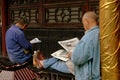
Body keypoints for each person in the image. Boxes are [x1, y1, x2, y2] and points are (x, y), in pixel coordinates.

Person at [71, 11, 100, 80]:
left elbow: (77, 59)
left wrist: (72, 55)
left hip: (89, 76)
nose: (83, 25)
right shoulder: (100, 32)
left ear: (86, 22)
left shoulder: (88, 38)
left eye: (83, 23)